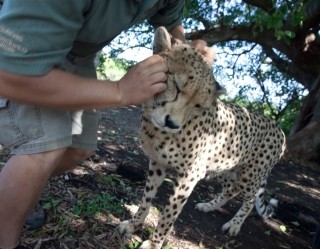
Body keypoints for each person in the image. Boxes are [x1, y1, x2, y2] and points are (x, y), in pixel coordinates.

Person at [0, 1, 191, 248]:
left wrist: (185, 51)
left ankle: (18, 194)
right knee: (45, 143)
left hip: (79, 52)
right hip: (25, 45)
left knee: (79, 147)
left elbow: (171, 21)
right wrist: (120, 91)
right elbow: (10, 75)